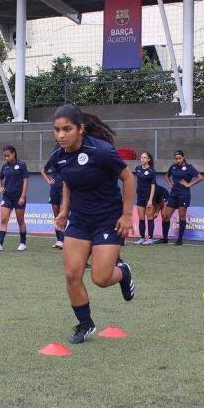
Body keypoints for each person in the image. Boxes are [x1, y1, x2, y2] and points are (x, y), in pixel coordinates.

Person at [49, 104, 136, 345]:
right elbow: (67, 182)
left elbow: (128, 178)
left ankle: (123, 272)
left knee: (100, 278)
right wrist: (65, 210)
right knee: (71, 274)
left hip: (108, 220)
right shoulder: (58, 156)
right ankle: (85, 324)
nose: (61, 135)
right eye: (57, 130)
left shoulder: (101, 151)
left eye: (67, 129)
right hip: (79, 221)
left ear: (80, 129)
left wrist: (127, 215)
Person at [161, 150, 203, 245]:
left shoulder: (189, 167)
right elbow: (167, 176)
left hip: (184, 195)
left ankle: (179, 240)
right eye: (176, 159)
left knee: (182, 216)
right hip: (173, 194)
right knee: (165, 216)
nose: (178, 160)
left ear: (183, 157)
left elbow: (200, 177)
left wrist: (189, 184)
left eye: (179, 158)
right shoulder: (173, 166)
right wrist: (169, 183)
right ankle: (165, 239)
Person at [0, 146, 28, 252]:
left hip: (18, 197)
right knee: (3, 219)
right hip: (7, 197)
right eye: (4, 156)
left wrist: (23, 196)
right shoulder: (5, 166)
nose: (6, 158)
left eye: (8, 155)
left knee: (20, 220)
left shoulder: (21, 165)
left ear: (13, 154)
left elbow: (25, 181)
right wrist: (0, 187)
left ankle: (22, 243)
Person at [41, 148, 65, 249]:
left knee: (63, 214)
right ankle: (59, 240)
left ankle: (64, 240)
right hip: (54, 189)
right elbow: (43, 170)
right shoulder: (53, 157)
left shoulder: (70, 157)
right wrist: (48, 180)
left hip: (65, 190)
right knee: (56, 216)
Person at [133, 151, 158, 245]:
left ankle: (150, 238)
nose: (142, 159)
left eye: (144, 157)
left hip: (148, 197)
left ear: (148, 159)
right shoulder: (138, 169)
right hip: (140, 197)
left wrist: (151, 200)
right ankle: (142, 237)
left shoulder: (152, 171)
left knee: (149, 217)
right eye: (141, 157)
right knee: (141, 218)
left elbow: (153, 186)